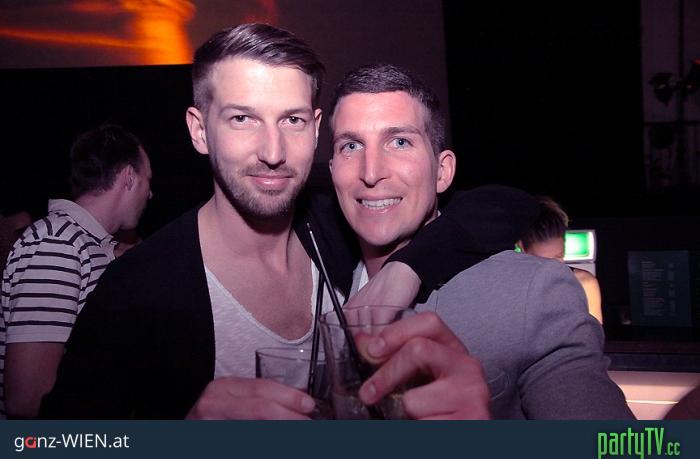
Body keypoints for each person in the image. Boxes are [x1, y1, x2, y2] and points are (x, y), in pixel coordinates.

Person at [41, 24, 535, 420]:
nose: (273, 152)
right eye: (242, 119)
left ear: (316, 129)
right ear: (199, 130)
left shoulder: (333, 228)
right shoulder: (136, 289)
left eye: (292, 120)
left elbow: (503, 204)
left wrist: (404, 270)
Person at [328, 63, 633, 419]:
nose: (370, 172)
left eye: (399, 142)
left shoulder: (530, 293)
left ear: (442, 171)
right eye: (351, 145)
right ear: (331, 169)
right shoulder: (312, 274)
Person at [1, 124, 153, 419]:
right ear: (129, 177)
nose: (150, 194)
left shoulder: (86, 244)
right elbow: (29, 399)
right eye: (148, 180)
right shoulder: (57, 243)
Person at [516, 196, 603, 324]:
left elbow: (593, 334)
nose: (553, 267)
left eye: (558, 256)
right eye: (542, 261)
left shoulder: (584, 283)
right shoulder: (510, 286)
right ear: (522, 247)